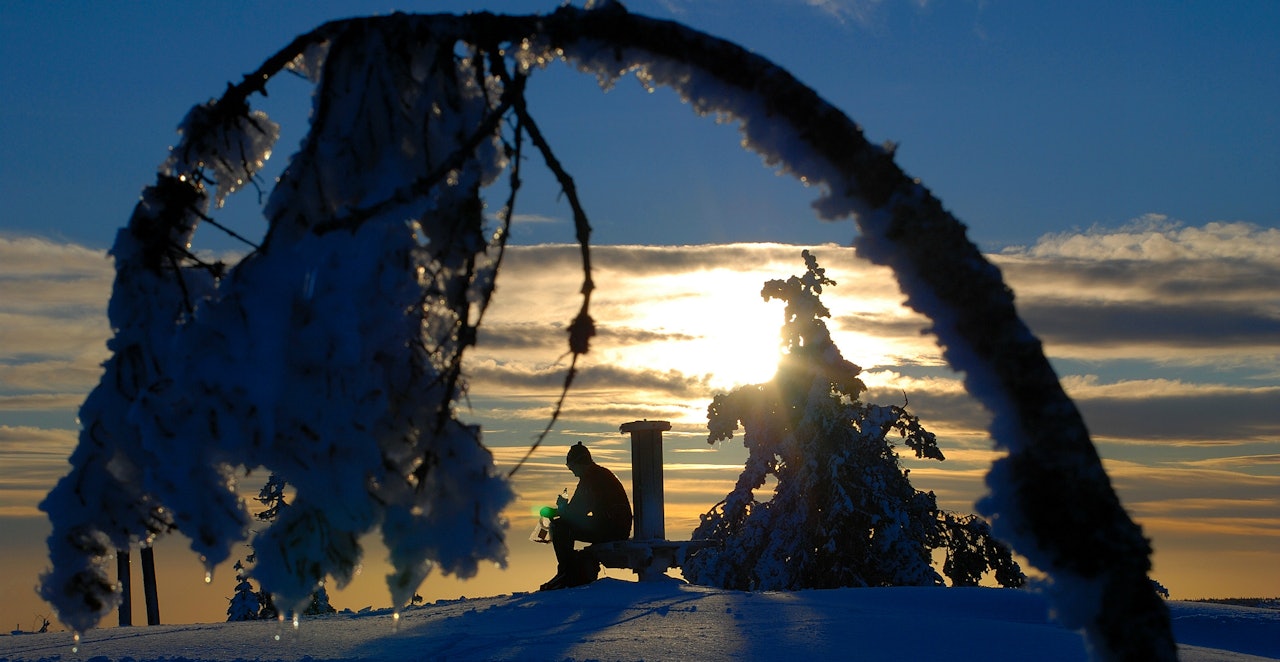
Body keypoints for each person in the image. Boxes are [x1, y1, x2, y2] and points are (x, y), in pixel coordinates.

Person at [540, 442, 632, 591]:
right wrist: (560, 511)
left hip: (610, 528)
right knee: (563, 524)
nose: (573, 472)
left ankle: (566, 574)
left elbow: (576, 512)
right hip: (613, 526)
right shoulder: (597, 475)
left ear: (580, 463)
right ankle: (568, 571)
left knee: (560, 527)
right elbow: (578, 510)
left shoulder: (591, 478)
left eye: (572, 467)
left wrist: (560, 510)